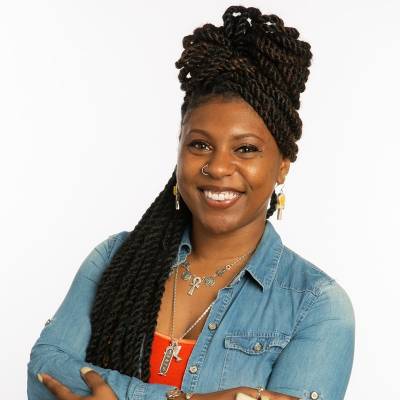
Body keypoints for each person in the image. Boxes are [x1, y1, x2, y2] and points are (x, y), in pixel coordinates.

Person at [27, 5, 355, 400]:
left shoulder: (317, 306)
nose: (218, 167)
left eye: (246, 149)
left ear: (282, 166)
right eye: (200, 145)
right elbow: (43, 372)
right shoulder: (115, 258)